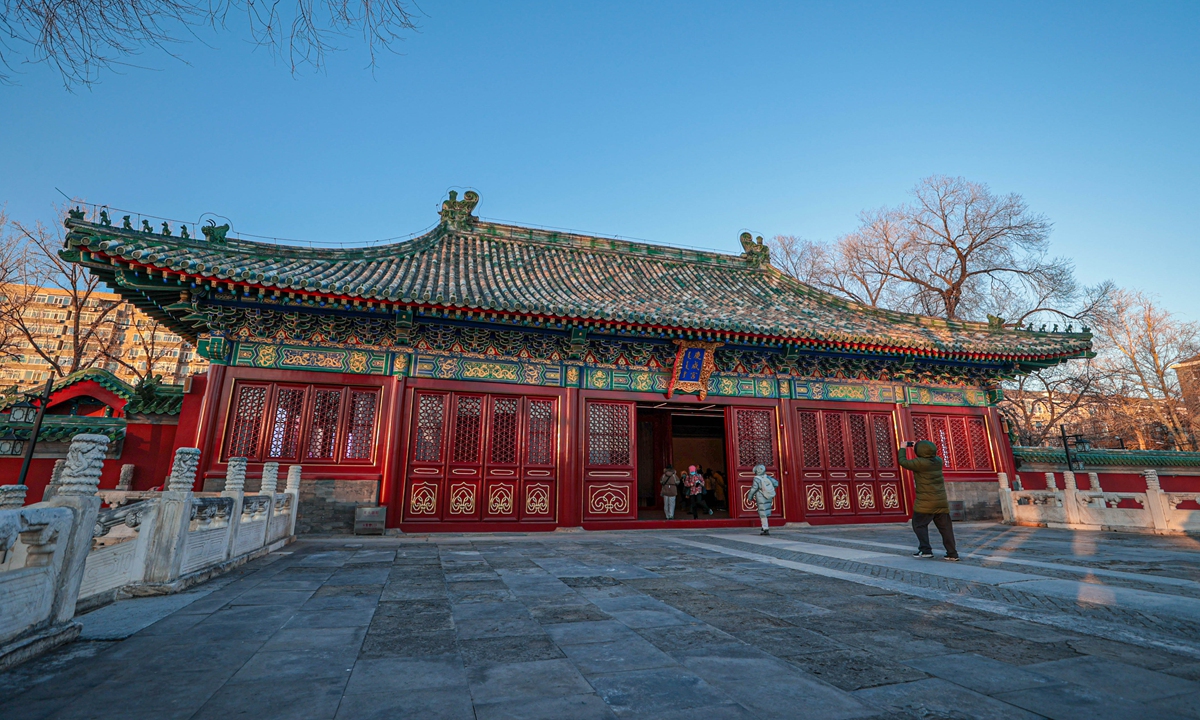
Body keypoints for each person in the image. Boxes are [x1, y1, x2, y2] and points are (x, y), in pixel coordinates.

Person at [898, 440, 959, 561]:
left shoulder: (920, 463)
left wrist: (902, 448)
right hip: (941, 502)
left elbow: (903, 462)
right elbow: (927, 454)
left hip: (925, 503)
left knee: (919, 525)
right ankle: (952, 553)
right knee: (946, 528)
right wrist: (921, 447)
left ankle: (925, 550)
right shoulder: (938, 461)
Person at [747, 464, 779, 535]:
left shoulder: (757, 479)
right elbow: (776, 483)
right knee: (766, 511)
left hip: (761, 496)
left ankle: (765, 528)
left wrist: (750, 496)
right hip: (767, 496)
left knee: (762, 513)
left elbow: (754, 488)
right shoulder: (767, 477)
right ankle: (765, 525)